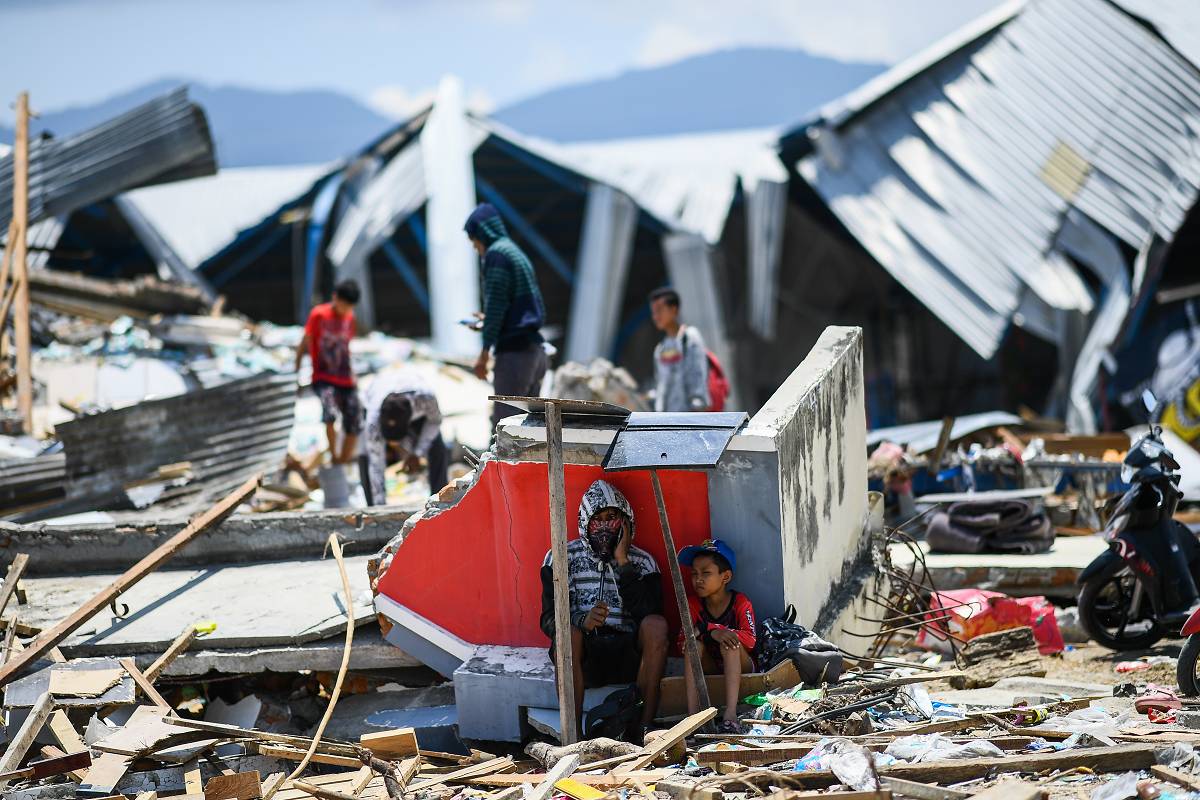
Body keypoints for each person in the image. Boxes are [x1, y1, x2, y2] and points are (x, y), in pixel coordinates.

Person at [539, 479, 668, 740]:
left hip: (628, 656)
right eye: (598, 518)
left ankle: (643, 729)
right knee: (568, 635)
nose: (606, 525)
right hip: (585, 657)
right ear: (586, 521)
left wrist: (623, 563)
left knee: (657, 626)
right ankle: (572, 735)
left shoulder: (644, 562)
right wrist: (581, 620)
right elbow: (548, 619)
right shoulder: (561, 557)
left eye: (613, 517)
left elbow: (651, 613)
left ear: (626, 521)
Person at [464, 203, 548, 428]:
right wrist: (489, 320)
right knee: (531, 430)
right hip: (535, 352)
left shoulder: (496, 255)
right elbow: (516, 307)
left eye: (474, 242)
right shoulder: (514, 251)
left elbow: (496, 304)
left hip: (515, 356)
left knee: (506, 429)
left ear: (482, 235)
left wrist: (483, 355)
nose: (476, 249)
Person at [678, 538, 756, 734]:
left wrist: (712, 629)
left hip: (741, 664)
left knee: (730, 644)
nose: (698, 579)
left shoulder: (740, 602)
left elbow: (751, 640)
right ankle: (693, 718)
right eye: (694, 574)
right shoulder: (693, 604)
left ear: (725, 577)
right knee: (693, 646)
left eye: (706, 573)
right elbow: (682, 642)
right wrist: (710, 631)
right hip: (711, 665)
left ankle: (730, 715)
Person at [296, 280, 361, 464]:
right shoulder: (319, 315)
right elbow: (305, 341)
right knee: (330, 412)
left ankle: (343, 460)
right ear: (335, 298)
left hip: (345, 377)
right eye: (344, 305)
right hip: (323, 376)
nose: (346, 309)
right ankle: (333, 455)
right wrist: (297, 367)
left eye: (350, 307)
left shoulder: (350, 318)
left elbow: (347, 347)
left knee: (355, 418)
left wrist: (353, 375)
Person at [359, 371, 448, 505]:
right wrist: (380, 510)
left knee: (438, 448)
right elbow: (376, 465)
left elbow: (434, 422)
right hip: (376, 396)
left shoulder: (425, 399)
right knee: (366, 457)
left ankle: (440, 503)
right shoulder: (373, 419)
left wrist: (417, 453)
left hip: (418, 410)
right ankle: (372, 509)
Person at [649, 287, 709, 412]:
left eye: (659, 310)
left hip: (688, 419)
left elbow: (698, 374)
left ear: (674, 310)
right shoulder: (660, 349)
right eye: (653, 312)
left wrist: (697, 410)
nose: (655, 316)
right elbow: (660, 384)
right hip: (665, 421)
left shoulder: (689, 337)